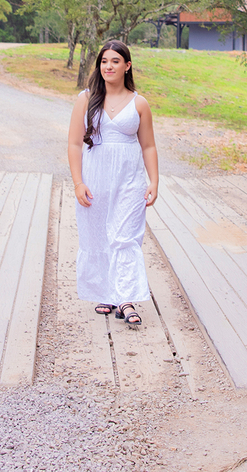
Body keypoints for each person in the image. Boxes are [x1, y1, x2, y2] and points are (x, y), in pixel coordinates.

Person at [67, 39, 159, 328]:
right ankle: (105, 292)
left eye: (115, 61)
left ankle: (127, 298)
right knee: (97, 235)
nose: (108, 66)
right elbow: (73, 143)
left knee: (125, 237)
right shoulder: (86, 99)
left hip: (130, 181)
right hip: (95, 178)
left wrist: (154, 180)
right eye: (104, 61)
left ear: (127, 65)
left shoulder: (139, 103)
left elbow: (148, 146)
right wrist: (78, 182)